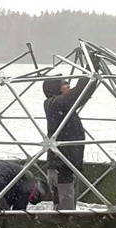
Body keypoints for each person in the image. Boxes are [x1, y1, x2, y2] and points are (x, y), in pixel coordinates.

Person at [42, 67, 99, 210]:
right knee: (64, 208)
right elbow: (79, 93)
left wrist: (92, 76)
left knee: (66, 204)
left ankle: (65, 224)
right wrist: (88, 71)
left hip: (66, 164)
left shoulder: (63, 105)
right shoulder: (54, 104)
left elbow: (82, 94)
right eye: (64, 84)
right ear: (56, 89)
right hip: (61, 165)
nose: (68, 86)